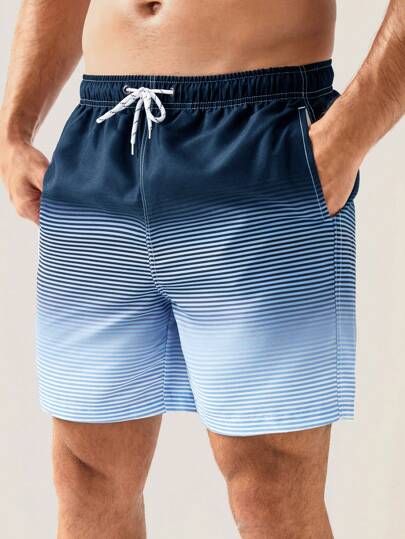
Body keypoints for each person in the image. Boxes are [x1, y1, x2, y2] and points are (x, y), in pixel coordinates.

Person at [0, 1, 404, 537]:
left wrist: (350, 134)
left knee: (270, 487)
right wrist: (14, 126)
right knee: (86, 475)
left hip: (260, 140)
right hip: (100, 139)